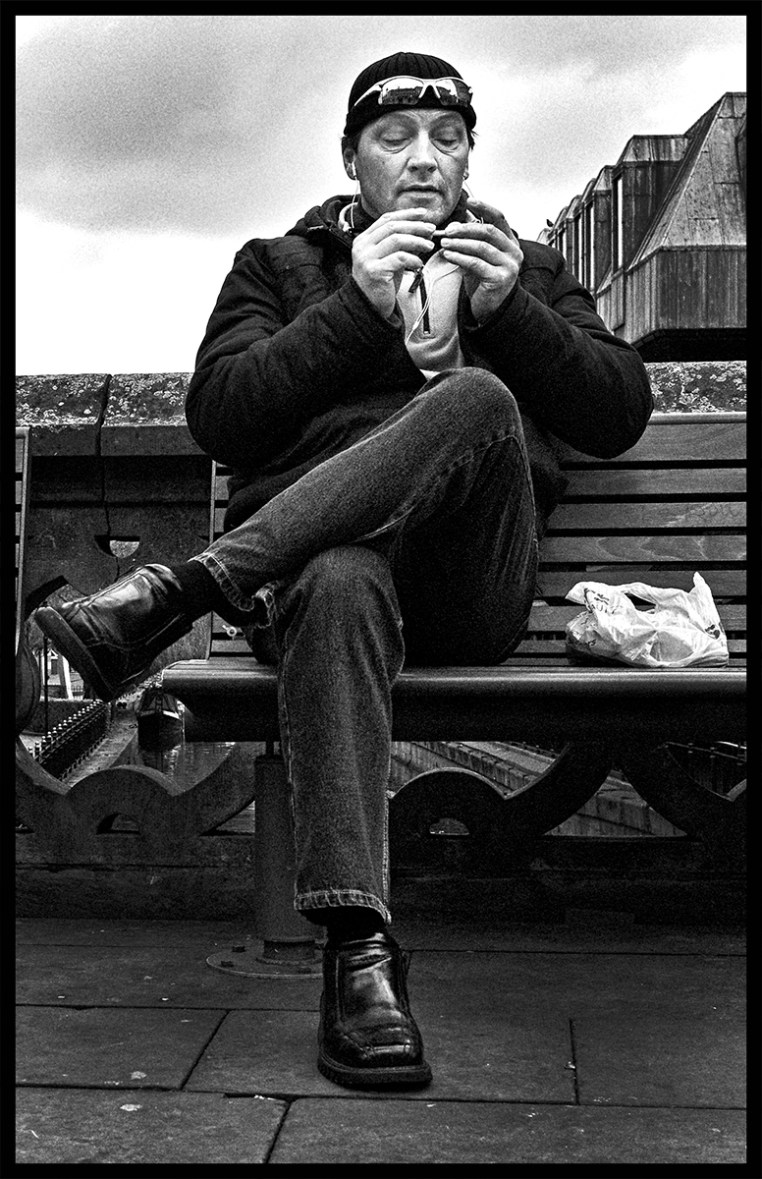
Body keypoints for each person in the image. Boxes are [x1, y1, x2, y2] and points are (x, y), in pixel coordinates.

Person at [35, 51, 653, 1091]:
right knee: (336, 576)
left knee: (478, 402)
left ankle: (182, 593)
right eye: (394, 139)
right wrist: (357, 308)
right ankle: (359, 955)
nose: (424, 159)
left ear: (470, 156)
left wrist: (511, 314)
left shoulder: (526, 269)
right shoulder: (279, 267)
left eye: (447, 139)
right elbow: (221, 413)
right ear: (351, 159)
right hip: (314, 584)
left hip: (467, 587)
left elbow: (618, 408)